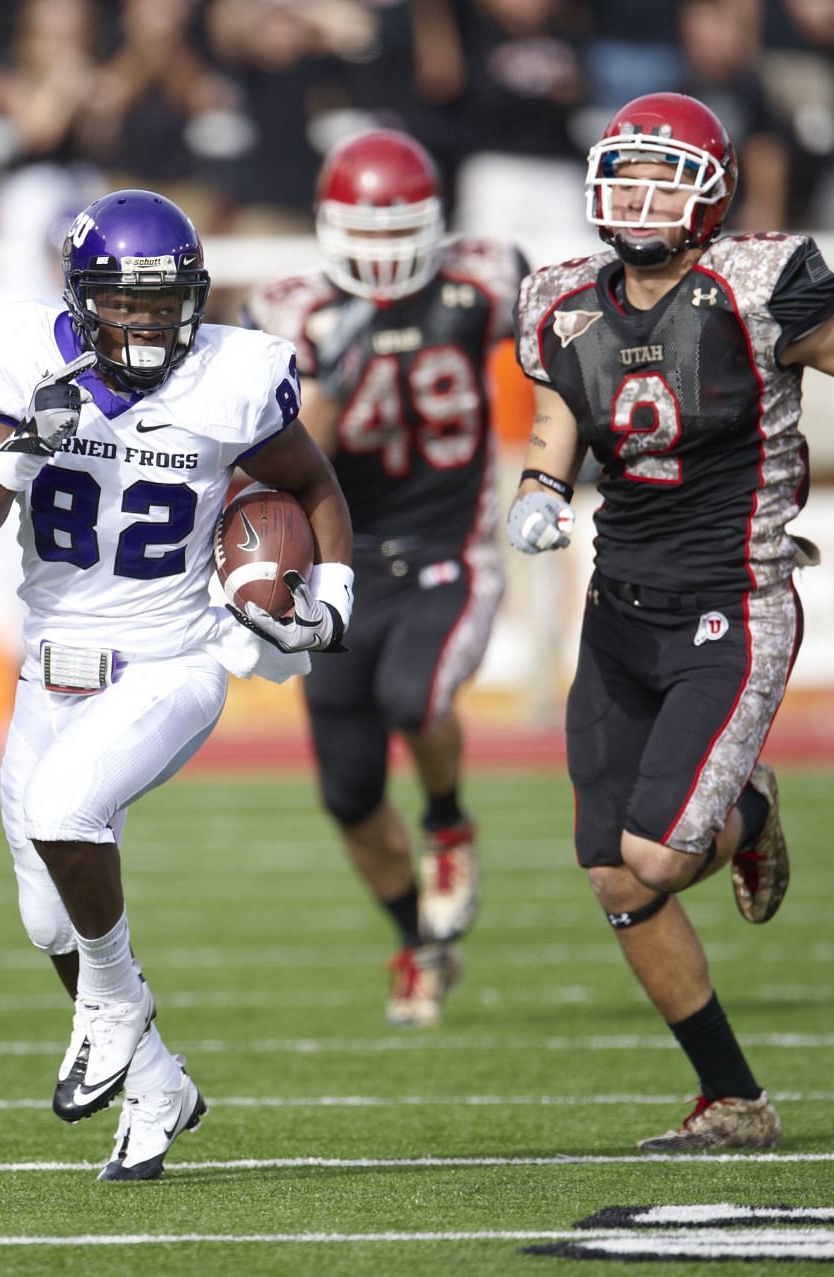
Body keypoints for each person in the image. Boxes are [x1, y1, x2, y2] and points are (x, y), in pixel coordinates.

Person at [506, 93, 834, 1151]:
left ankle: (747, 809)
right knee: (610, 870)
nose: (640, 198)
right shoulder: (560, 301)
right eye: (628, 175)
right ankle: (733, 1099)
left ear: (708, 194)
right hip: (616, 611)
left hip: (730, 606)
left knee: (653, 857)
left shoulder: (756, 290)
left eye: (664, 178)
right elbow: (561, 405)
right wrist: (538, 486)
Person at [0, 189, 354, 1180]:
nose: (151, 325)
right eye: (129, 304)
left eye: (168, 305)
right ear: (80, 301)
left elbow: (315, 481)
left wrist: (332, 587)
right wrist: (17, 450)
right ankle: (157, 1079)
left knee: (66, 806)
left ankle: (118, 1008)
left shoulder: (230, 378)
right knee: (48, 919)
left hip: (175, 659)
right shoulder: (24, 365)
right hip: (50, 669)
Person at [243, 129, 526, 1028]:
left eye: (400, 226)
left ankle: (447, 821)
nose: (382, 250)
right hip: (340, 562)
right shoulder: (293, 310)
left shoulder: (483, 279)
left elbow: (583, 341)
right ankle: (421, 943)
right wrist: (334, 364)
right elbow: (289, 447)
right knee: (349, 792)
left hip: (449, 550)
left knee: (416, 695)